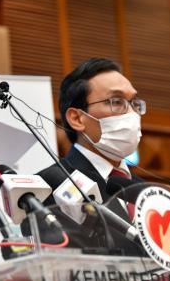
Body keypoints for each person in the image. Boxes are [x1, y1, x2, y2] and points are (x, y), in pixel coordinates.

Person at [38, 58, 146, 255]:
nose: (132, 113)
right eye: (117, 102)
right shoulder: (50, 185)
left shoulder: (147, 190)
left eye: (134, 103)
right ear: (77, 118)